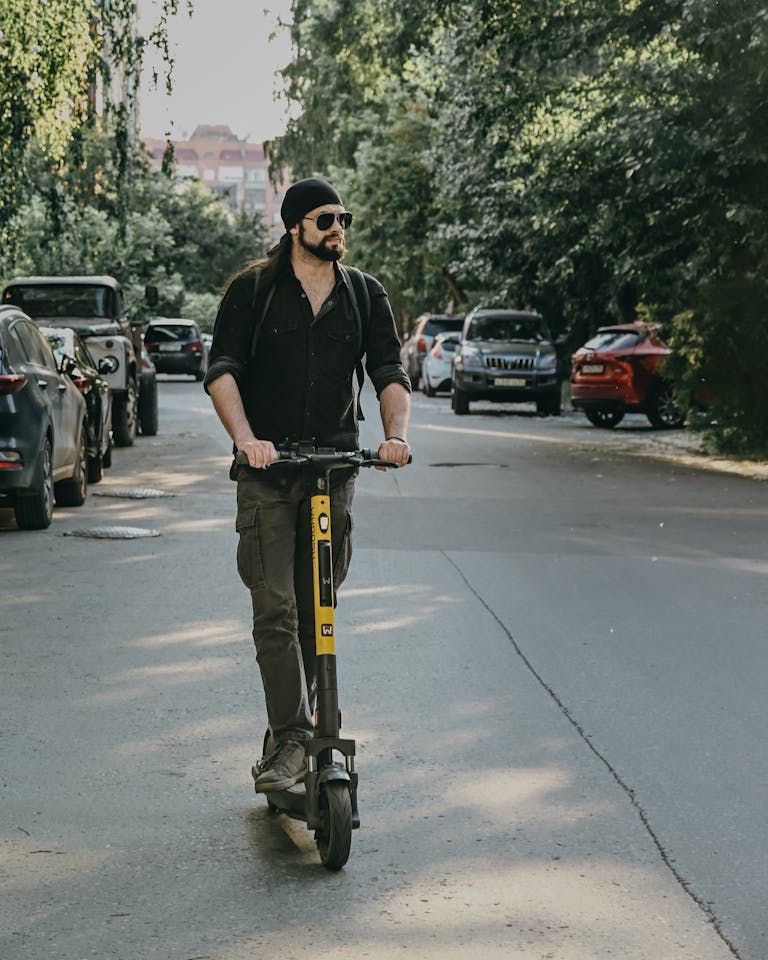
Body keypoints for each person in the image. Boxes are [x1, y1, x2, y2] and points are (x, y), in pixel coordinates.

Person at [205, 177, 411, 792]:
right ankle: (293, 740)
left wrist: (395, 435)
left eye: (343, 218)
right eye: (326, 220)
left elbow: (389, 374)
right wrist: (246, 440)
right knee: (275, 610)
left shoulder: (362, 294)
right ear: (295, 226)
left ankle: (309, 725)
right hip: (268, 474)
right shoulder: (253, 291)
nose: (338, 229)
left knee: (316, 606)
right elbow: (222, 373)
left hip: (333, 470)